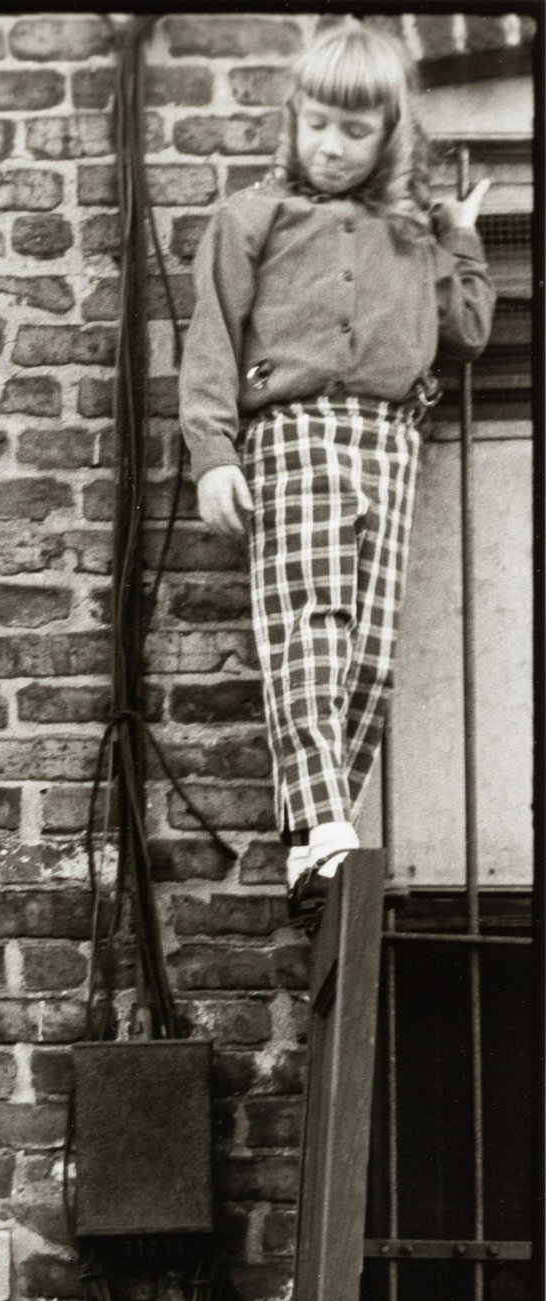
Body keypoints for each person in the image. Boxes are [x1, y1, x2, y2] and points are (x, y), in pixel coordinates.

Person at [179, 18, 494, 920]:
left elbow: (467, 332)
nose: (332, 144)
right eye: (319, 122)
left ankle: (314, 848)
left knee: (370, 658)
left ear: (390, 136)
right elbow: (210, 346)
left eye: (355, 131)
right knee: (307, 633)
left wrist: (459, 236)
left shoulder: (411, 235)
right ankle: (323, 825)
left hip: (391, 441)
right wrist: (212, 457)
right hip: (296, 433)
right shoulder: (250, 219)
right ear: (295, 117)